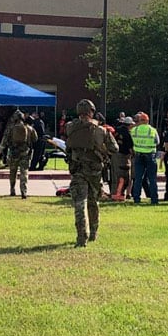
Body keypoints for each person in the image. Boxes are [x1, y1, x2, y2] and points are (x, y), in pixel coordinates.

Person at [65, 99, 118, 247]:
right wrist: (103, 152)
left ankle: (82, 236)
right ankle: (94, 232)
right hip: (94, 171)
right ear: (92, 112)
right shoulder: (101, 130)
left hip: (77, 169)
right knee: (93, 202)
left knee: (79, 203)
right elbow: (115, 148)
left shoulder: (70, 127)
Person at [0, 110, 38, 199]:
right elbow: (35, 139)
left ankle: (12, 189)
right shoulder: (29, 128)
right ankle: (23, 191)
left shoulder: (11, 128)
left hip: (13, 153)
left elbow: (5, 139)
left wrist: (1, 148)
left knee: (12, 172)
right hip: (25, 153)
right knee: (24, 172)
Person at [130, 112, 160, 204]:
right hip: (150, 155)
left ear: (139, 120)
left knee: (138, 178)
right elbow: (157, 142)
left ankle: (136, 198)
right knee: (152, 178)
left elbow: (132, 141)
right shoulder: (152, 130)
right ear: (147, 120)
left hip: (138, 155)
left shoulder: (134, 130)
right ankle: (154, 199)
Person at [110, 116, 134, 201]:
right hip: (123, 157)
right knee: (123, 176)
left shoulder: (116, 130)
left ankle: (113, 194)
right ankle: (119, 195)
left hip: (114, 155)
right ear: (130, 125)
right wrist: (133, 156)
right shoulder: (127, 134)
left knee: (114, 176)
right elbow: (130, 148)